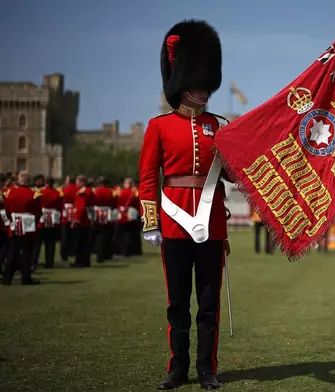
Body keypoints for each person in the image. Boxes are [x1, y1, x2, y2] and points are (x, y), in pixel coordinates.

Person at [138, 19, 230, 390]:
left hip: (211, 223)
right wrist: (150, 221)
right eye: (198, 83)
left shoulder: (220, 125)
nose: (204, 91)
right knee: (178, 304)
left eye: (207, 84)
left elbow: (235, 175)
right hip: (174, 223)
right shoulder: (159, 126)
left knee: (208, 306)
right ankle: (177, 368)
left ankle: (207, 369)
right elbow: (148, 177)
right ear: (182, 84)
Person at [2, 171, 41, 285]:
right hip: (28, 224)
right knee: (27, 252)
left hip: (15, 223)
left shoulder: (9, 192)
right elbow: (37, 212)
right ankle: (25, 277)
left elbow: (7, 210)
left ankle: (7, 278)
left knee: (13, 251)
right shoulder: (34, 194)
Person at [39, 176, 63, 268]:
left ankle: (34, 261)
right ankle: (49, 262)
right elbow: (60, 206)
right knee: (51, 242)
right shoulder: (57, 193)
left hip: (43, 217)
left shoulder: (41, 192)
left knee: (38, 242)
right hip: (53, 218)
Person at [71, 175, 94, 267]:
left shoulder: (82, 192)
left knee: (80, 242)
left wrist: (76, 220)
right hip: (87, 219)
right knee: (85, 242)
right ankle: (85, 261)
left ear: (82, 182)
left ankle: (80, 261)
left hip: (82, 220)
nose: (76, 184)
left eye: (77, 182)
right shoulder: (89, 190)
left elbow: (80, 208)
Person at [93, 176, 116, 263]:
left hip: (98, 213)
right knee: (107, 235)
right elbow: (113, 202)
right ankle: (107, 254)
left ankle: (99, 254)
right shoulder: (110, 191)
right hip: (108, 213)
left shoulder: (96, 191)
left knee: (99, 235)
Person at [60, 176, 78, 262]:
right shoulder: (77, 189)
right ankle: (72, 251)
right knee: (74, 234)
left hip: (65, 212)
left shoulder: (64, 189)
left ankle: (64, 254)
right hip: (74, 211)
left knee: (64, 235)